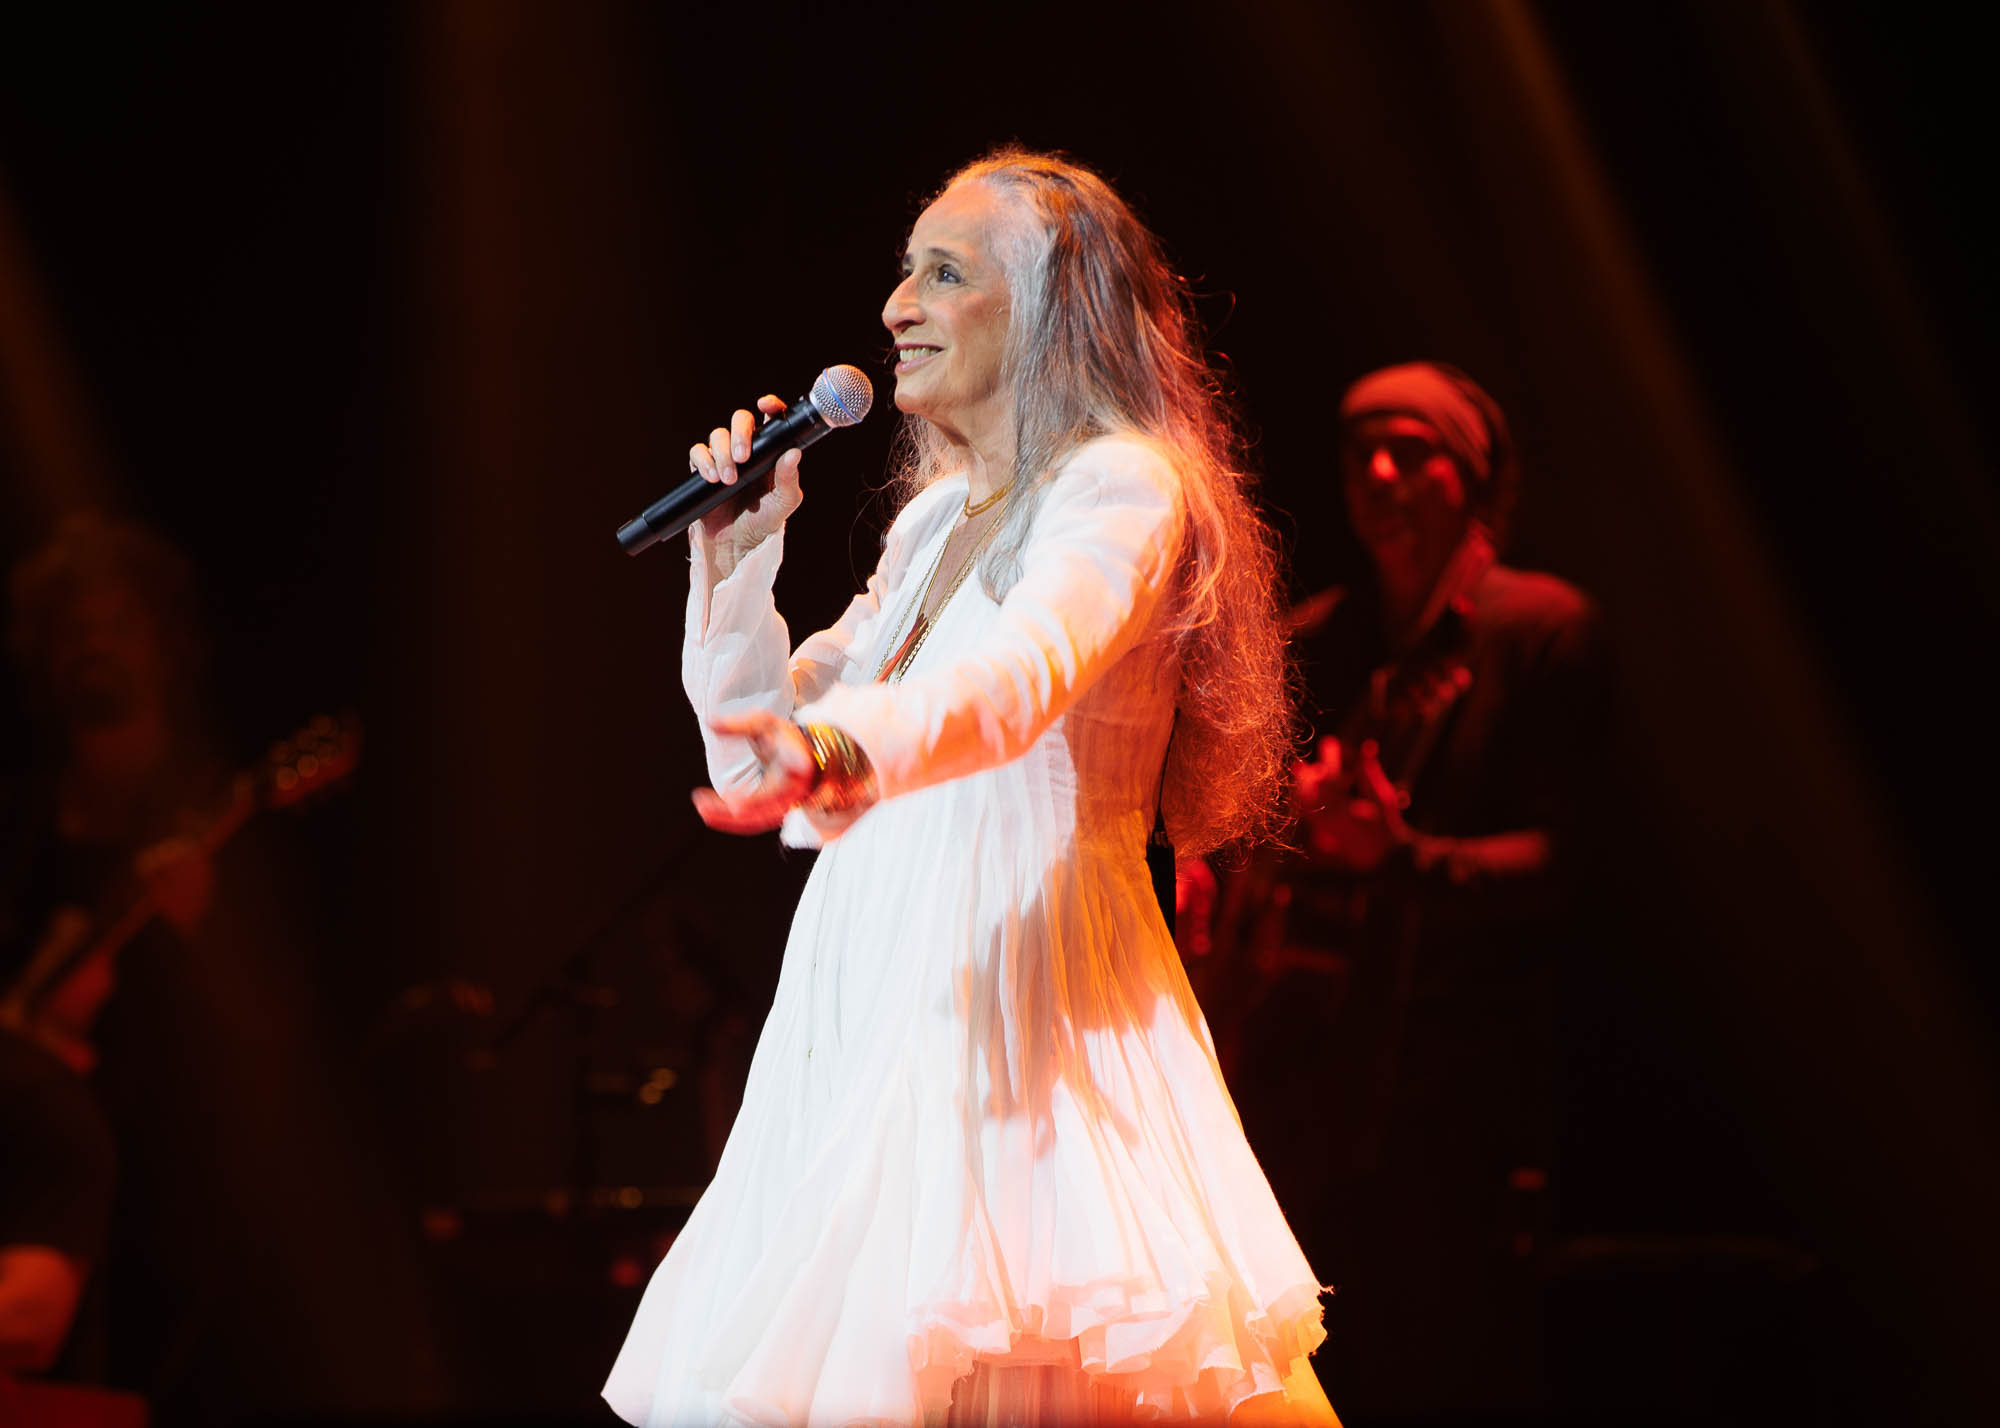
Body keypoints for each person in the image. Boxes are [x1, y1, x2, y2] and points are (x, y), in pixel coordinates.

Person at [604, 149, 1336, 1425]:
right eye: (905, 272)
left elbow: (1016, 680)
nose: (897, 306)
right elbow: (757, 758)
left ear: (1053, 308)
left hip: (1021, 997)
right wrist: (737, 559)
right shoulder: (933, 522)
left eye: (943, 274)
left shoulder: (1121, 484)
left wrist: (841, 753)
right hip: (873, 1008)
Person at [1213, 363, 1604, 1418]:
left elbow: (1564, 864)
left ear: (1470, 474)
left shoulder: (1540, 629)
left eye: (1411, 451)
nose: (1378, 473)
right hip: (1305, 1098)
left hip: (1457, 1110)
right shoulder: (1316, 641)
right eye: (1359, 453)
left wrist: (1402, 855)